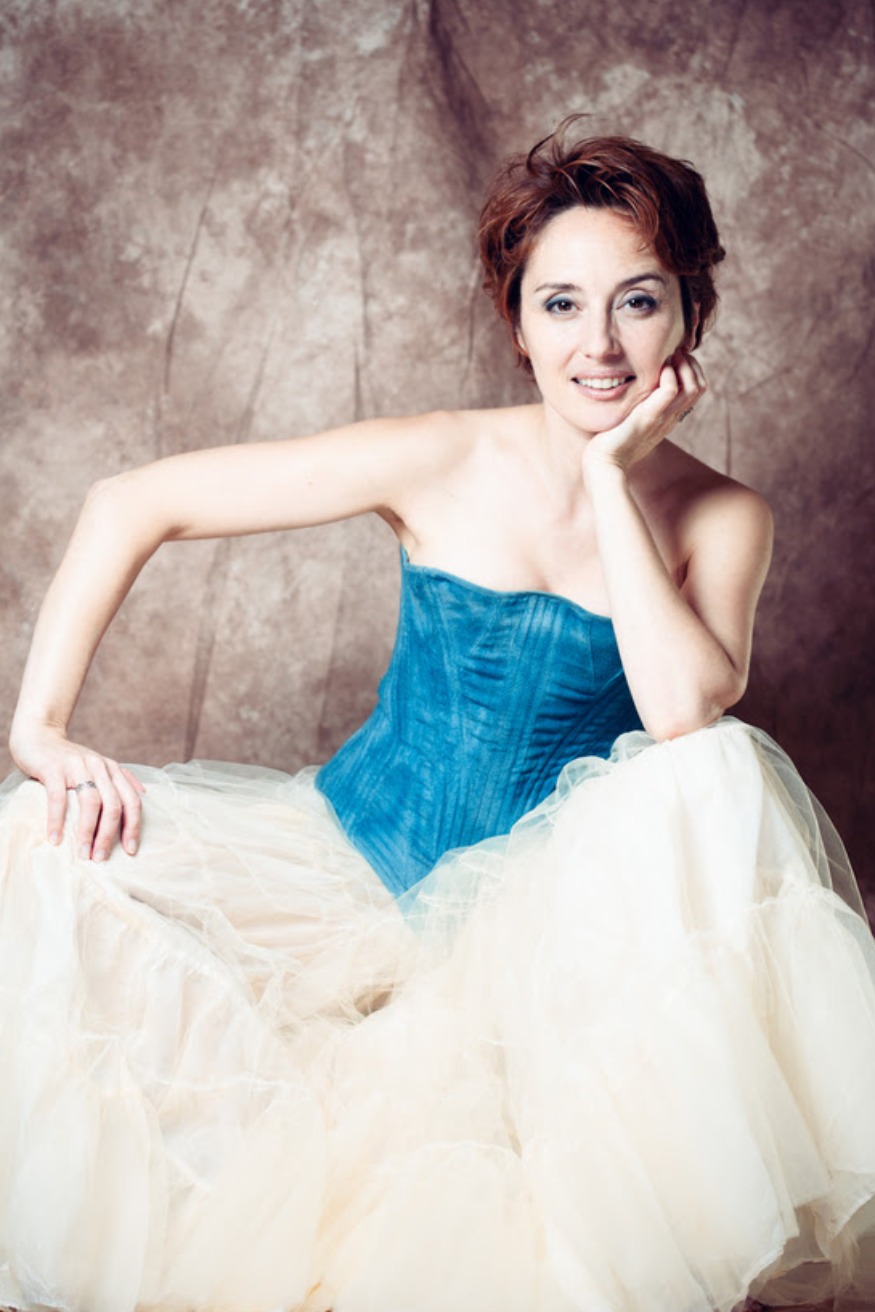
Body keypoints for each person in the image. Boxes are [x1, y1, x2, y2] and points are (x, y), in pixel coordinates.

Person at [1, 123, 873, 1312]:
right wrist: (39, 732)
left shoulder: (722, 517)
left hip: (539, 929)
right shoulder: (441, 456)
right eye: (559, 305)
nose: (597, 344)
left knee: (714, 768)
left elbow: (681, 712)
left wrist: (611, 477)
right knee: (41, 843)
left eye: (636, 301)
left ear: (688, 315)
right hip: (345, 855)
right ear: (517, 322)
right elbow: (128, 501)